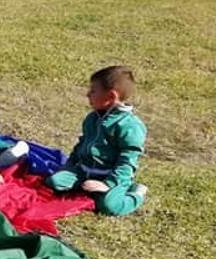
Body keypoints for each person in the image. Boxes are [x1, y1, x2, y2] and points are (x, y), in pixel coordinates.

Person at [45, 65, 148, 216]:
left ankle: (136, 193)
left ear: (111, 97)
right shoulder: (92, 118)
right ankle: (87, 186)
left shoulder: (129, 126)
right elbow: (81, 144)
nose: (88, 94)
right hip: (84, 171)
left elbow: (127, 161)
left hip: (110, 176)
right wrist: (69, 166)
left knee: (109, 206)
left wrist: (108, 185)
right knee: (54, 183)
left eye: (93, 91)